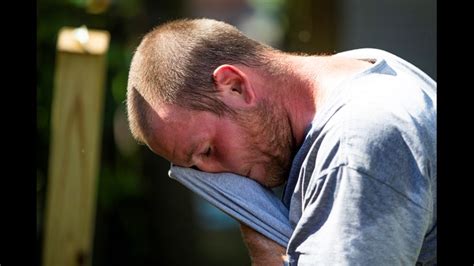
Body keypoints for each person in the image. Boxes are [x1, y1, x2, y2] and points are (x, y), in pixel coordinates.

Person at [126, 18, 437, 265]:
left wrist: (264, 246)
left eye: (208, 151)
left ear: (235, 86)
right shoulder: (360, 68)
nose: (217, 175)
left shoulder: (356, 146)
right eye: (195, 170)